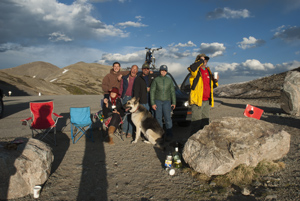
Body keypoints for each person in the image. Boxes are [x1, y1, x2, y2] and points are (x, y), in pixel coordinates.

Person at [188, 53, 219, 136]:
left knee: (205, 122)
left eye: (206, 60)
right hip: (197, 100)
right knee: (196, 122)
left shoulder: (208, 71)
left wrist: (216, 80)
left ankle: (203, 139)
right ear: (198, 61)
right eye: (202, 59)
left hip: (206, 101)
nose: (205, 61)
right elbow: (192, 68)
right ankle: (193, 140)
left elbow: (213, 86)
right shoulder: (196, 71)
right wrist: (200, 61)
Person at [150, 65, 176, 142]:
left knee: (168, 119)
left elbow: (172, 91)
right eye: (162, 70)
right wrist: (153, 103)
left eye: (164, 70)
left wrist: (173, 102)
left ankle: (169, 135)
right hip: (158, 101)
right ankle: (160, 135)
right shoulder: (156, 80)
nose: (163, 72)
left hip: (167, 102)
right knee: (158, 119)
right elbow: (152, 91)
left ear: (166, 72)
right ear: (160, 71)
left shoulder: (169, 80)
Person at [119, 65, 138, 138]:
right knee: (125, 114)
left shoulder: (137, 79)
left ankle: (130, 132)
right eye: (132, 69)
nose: (133, 70)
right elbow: (121, 87)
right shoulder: (125, 78)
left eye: (135, 69)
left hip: (132, 99)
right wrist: (120, 96)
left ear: (137, 71)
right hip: (125, 97)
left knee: (131, 116)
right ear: (130, 69)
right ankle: (124, 130)